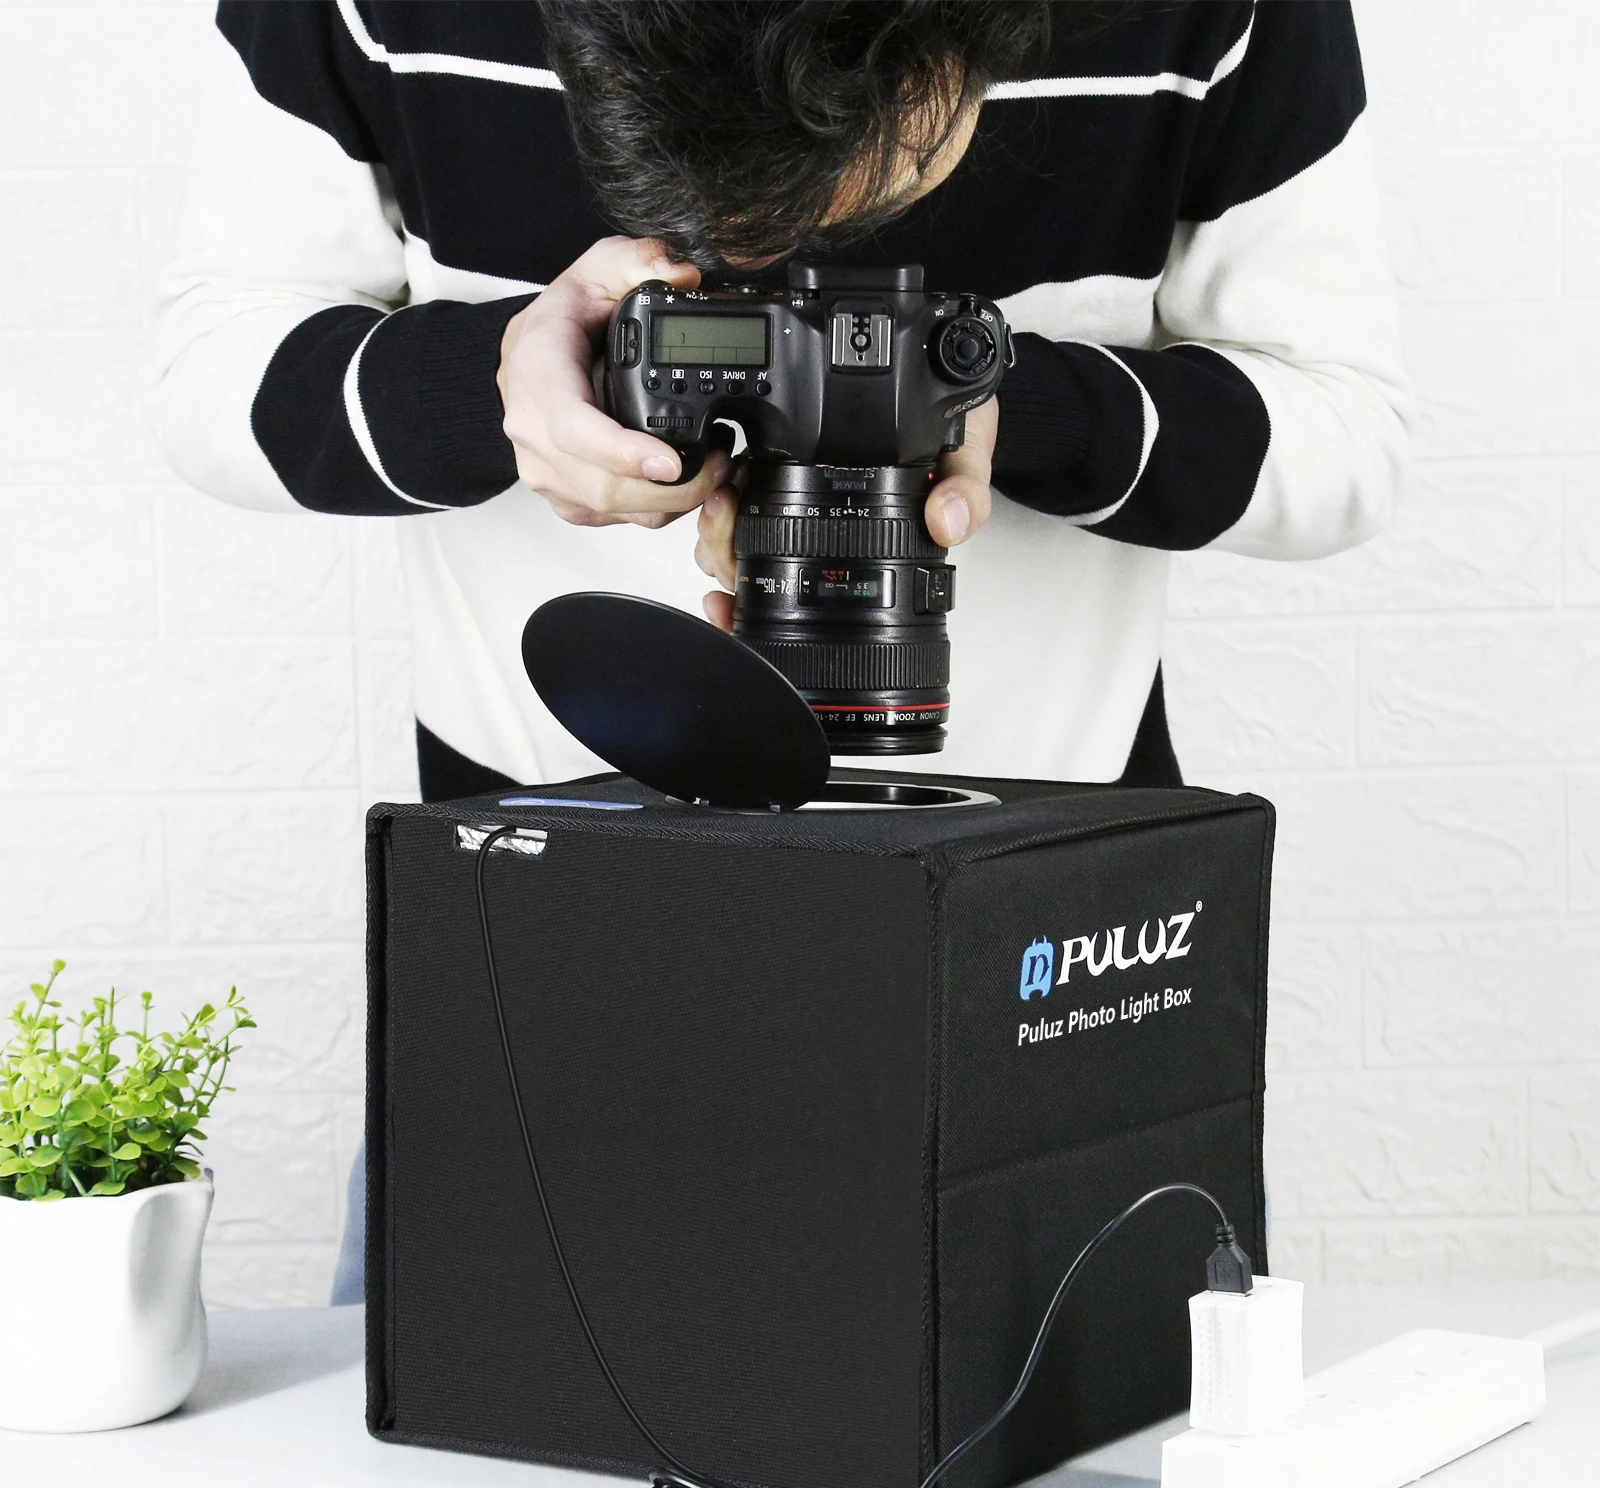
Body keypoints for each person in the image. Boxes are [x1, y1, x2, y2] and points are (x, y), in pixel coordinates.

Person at [151, 1, 1411, 1305]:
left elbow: (1352, 435)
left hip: (1039, 964)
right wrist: (507, 384)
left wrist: (1007, 403)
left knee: (1122, 1408)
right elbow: (205, 371)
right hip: (543, 955)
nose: (756, 254)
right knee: (465, 1413)